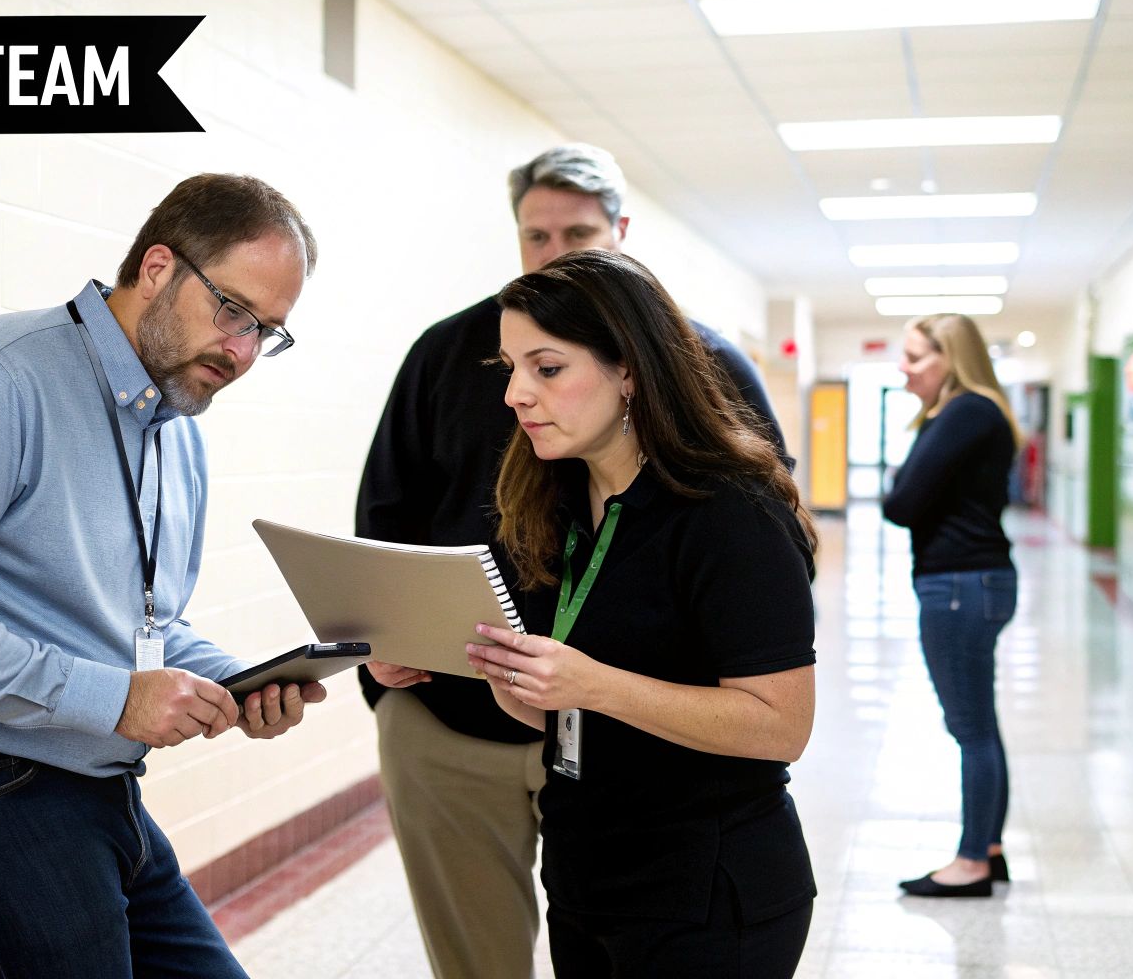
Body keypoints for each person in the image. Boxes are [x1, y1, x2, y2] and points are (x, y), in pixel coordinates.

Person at [0, 174, 325, 977]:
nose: (243, 352)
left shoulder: (174, 427)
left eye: (268, 332)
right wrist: (114, 698)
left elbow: (140, 623)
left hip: (94, 782)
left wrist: (239, 680)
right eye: (234, 311)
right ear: (158, 267)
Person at [354, 143, 789, 978]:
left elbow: (766, 612)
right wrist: (387, 651)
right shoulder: (458, 364)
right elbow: (385, 519)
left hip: (631, 738)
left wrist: (604, 686)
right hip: (463, 715)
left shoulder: (711, 404)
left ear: (622, 231)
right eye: (535, 237)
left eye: (579, 234)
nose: (520, 393)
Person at [461, 248, 817, 975]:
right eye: (511, 370)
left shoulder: (730, 513)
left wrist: (594, 685)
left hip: (706, 890)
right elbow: (575, 711)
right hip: (587, 876)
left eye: (547, 368)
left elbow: (783, 725)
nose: (516, 395)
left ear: (629, 369)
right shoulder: (555, 502)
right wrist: (517, 684)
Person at [881, 313, 1026, 898]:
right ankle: (987, 848)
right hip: (974, 581)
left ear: (952, 359)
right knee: (979, 724)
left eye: (917, 358)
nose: (904, 368)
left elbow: (903, 500)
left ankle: (970, 863)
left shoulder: (965, 409)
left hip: (961, 586)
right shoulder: (973, 411)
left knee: (969, 728)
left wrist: (910, 463)